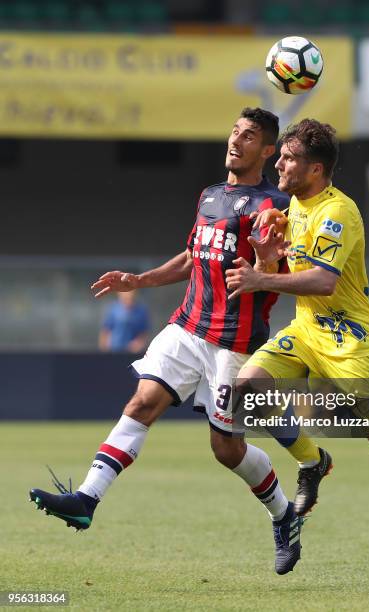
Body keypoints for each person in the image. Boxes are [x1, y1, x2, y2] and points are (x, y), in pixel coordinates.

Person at [29, 108, 331, 575]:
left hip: (234, 341)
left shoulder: (274, 208)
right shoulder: (210, 196)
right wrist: (139, 279)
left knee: (226, 450)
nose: (236, 140)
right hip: (188, 325)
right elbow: (194, 255)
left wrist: (270, 265)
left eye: (249, 136)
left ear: (267, 150)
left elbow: (278, 278)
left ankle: (284, 514)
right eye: (234, 131)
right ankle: (86, 499)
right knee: (141, 403)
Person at [225, 119, 369, 593]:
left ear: (315, 168)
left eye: (288, 158)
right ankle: (312, 461)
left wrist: (261, 279)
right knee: (244, 389)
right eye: (281, 156)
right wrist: (268, 257)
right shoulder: (293, 205)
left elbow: (324, 281)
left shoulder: (339, 212)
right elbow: (288, 269)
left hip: (352, 341)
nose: (280, 164)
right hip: (308, 331)